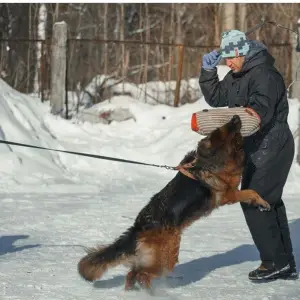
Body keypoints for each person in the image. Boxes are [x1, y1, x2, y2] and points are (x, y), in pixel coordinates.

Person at [199, 29, 298, 281]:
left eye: (230, 57)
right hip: (257, 146)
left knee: (255, 200)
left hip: (272, 146)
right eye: (223, 60)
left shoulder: (264, 75)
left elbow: (258, 112)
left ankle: (274, 262)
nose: (227, 63)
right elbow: (217, 97)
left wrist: (226, 129)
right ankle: (283, 262)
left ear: (242, 52)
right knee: (268, 202)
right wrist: (208, 73)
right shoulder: (237, 74)